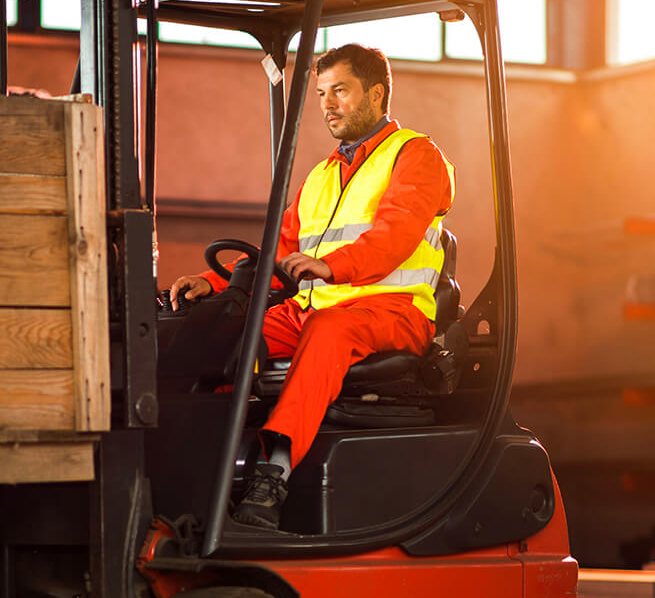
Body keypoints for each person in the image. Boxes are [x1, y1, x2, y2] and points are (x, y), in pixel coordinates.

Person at [168, 43, 456, 530]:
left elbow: (394, 236)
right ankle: (195, 462)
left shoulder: (416, 155)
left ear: (376, 94)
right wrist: (212, 283)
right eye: (322, 93)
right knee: (228, 333)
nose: (328, 104)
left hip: (392, 312)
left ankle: (273, 474)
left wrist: (331, 266)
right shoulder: (321, 176)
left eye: (340, 91)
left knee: (329, 331)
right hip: (318, 307)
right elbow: (275, 253)